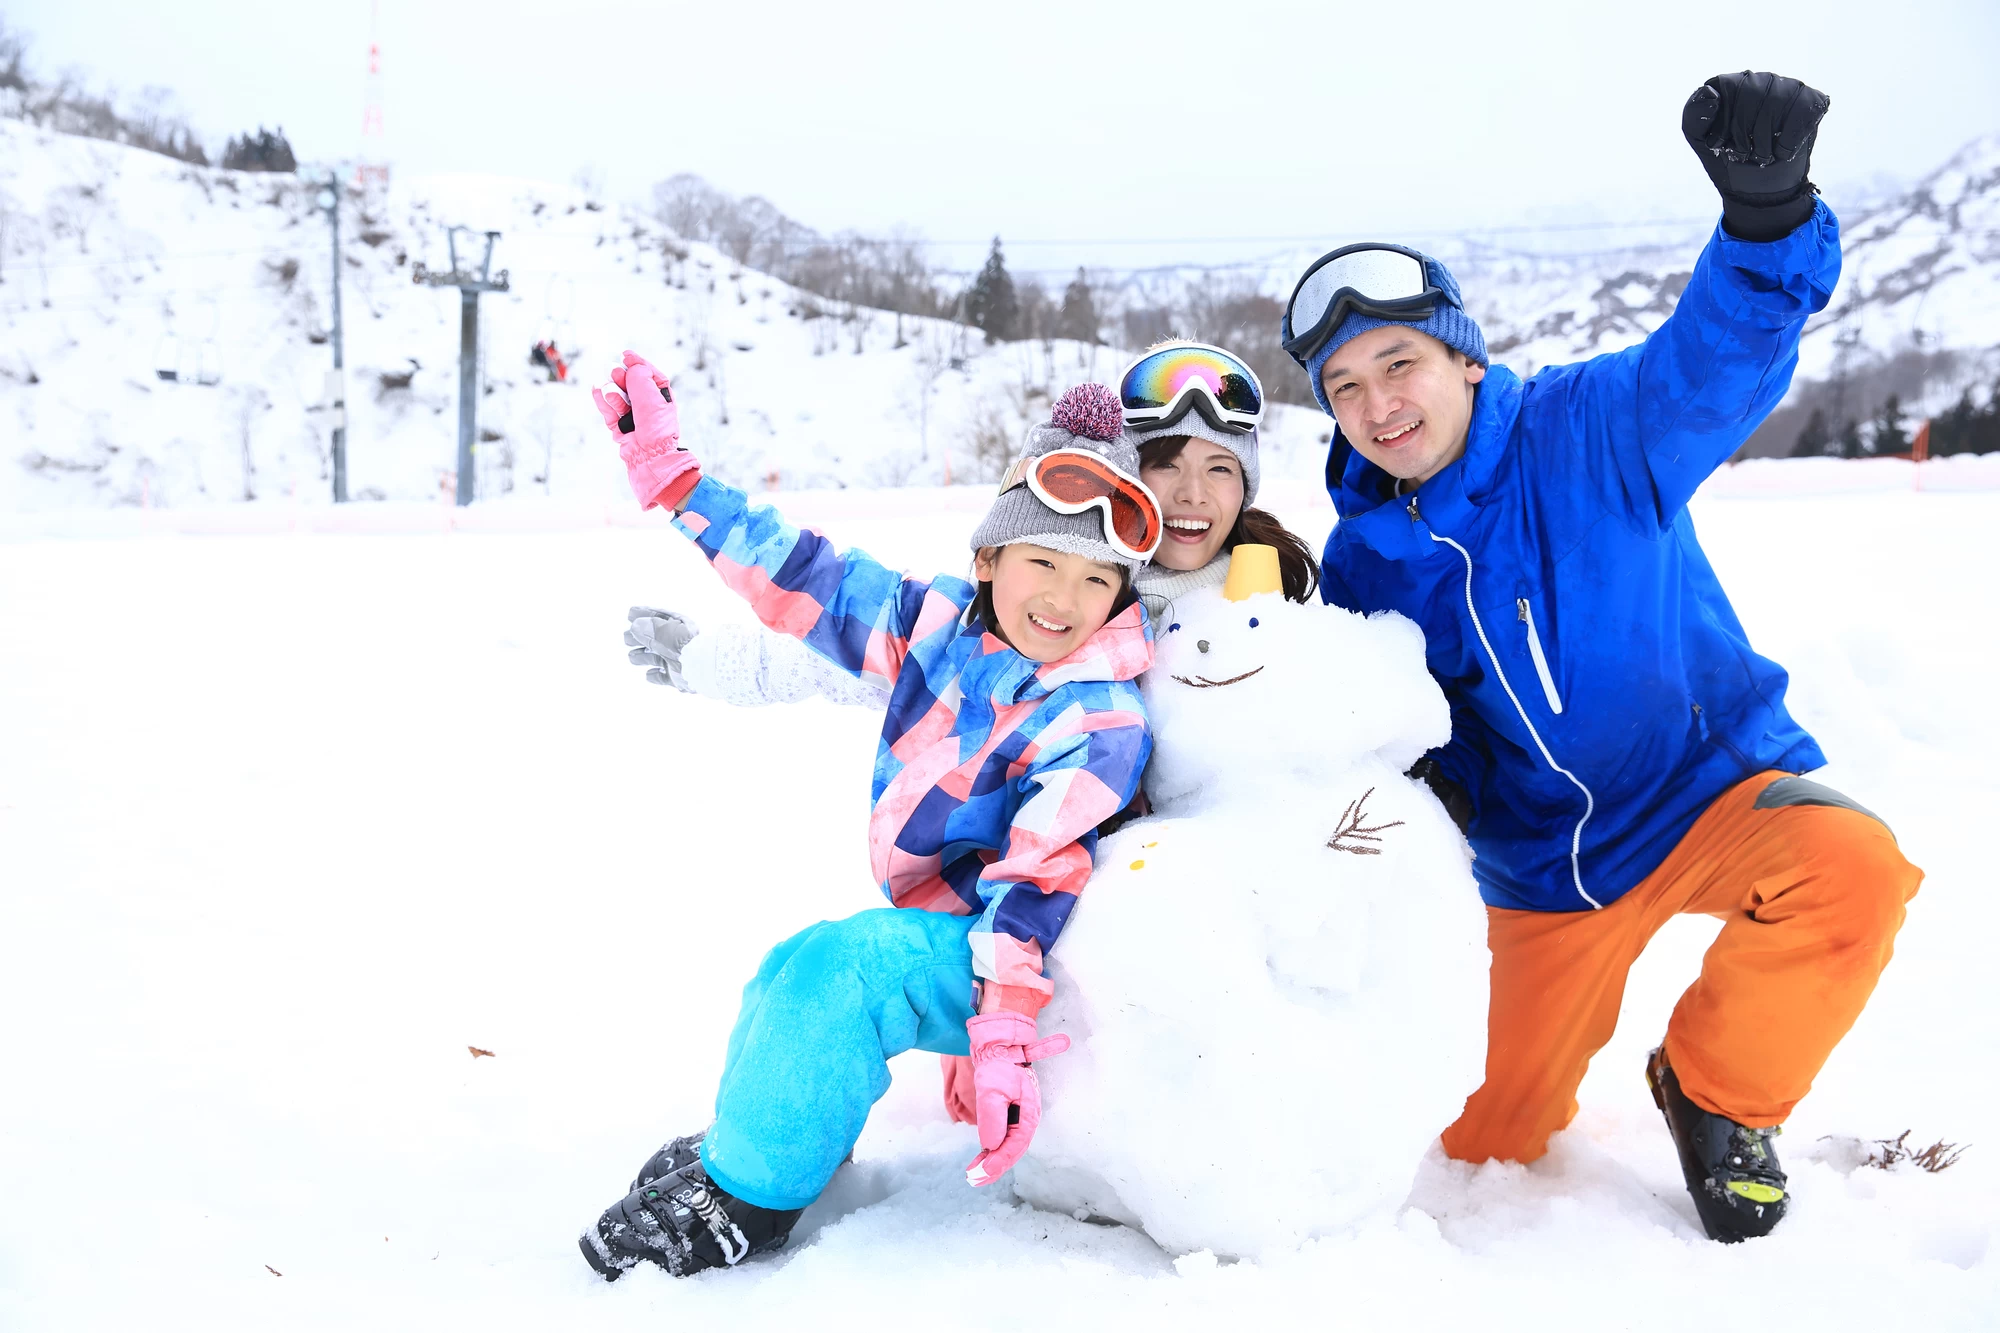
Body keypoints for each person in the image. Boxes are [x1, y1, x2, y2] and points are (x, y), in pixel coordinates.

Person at [1281, 71, 1921, 1243]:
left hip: (1702, 791)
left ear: (1464, 359)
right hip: (1540, 867)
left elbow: (1712, 362)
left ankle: (1715, 1094)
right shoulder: (1363, 562)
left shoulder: (1590, 430)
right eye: (1344, 387)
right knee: (1485, 1143)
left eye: (1398, 363)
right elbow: (1404, 725)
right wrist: (1430, 790)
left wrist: (1765, 220)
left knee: (1851, 871)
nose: (1376, 404)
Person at [578, 357, 1161, 1280]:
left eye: (1096, 580)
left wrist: (1003, 1032)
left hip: (1025, 957)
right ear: (989, 560)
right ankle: (766, 1132)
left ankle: (748, 1197)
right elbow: (812, 576)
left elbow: (1040, 877)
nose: (1063, 599)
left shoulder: (1096, 714)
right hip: (960, 928)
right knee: (795, 963)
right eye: (1044, 563)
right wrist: (680, 486)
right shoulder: (940, 627)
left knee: (845, 971)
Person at [622, 340, 1318, 706]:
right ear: (1129, 482)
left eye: (1221, 468)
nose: (1194, 494)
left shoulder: (1285, 604)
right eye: (1167, 466)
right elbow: (867, 645)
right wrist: (709, 662)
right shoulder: (1063, 604)